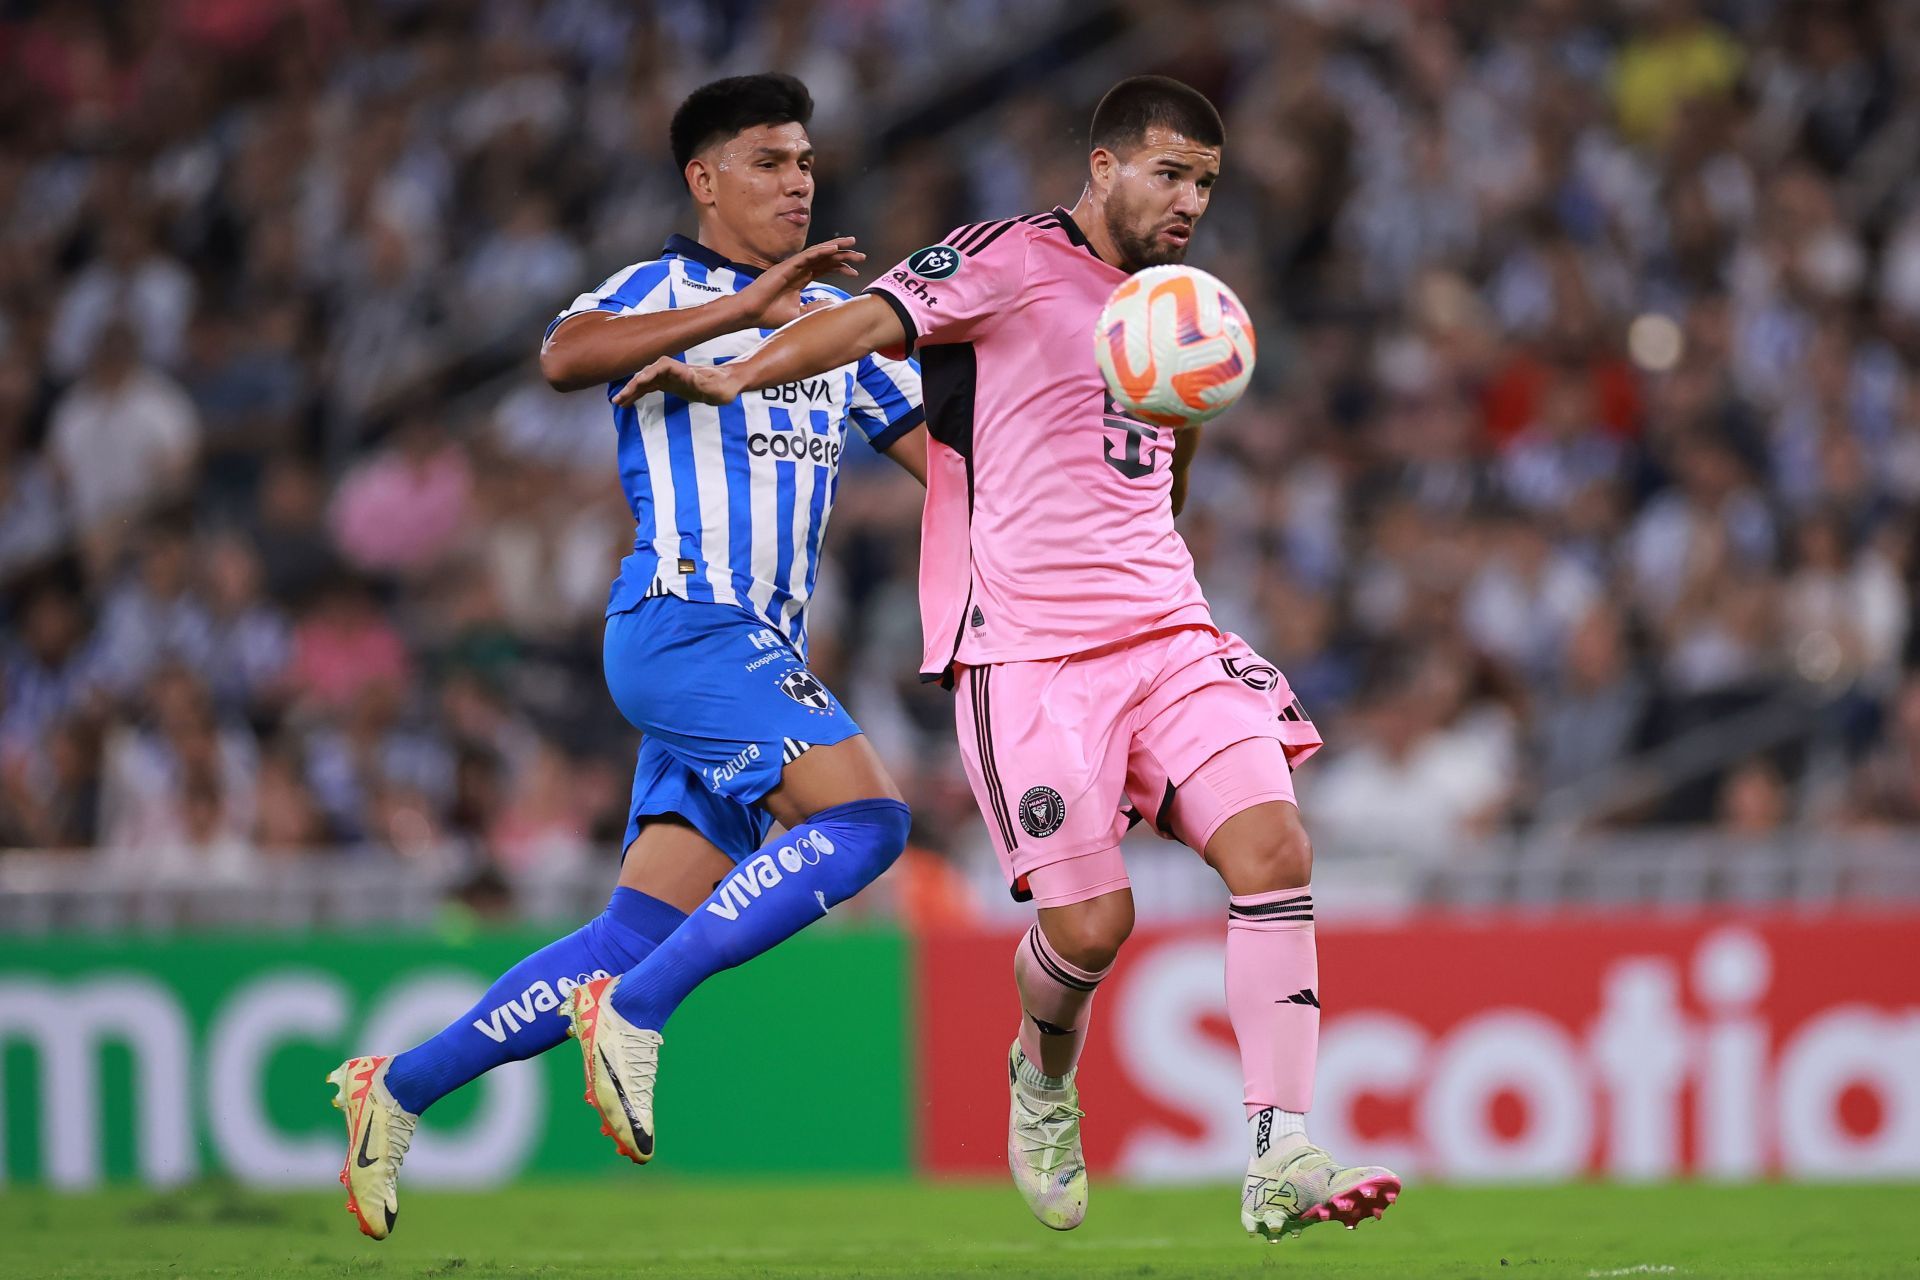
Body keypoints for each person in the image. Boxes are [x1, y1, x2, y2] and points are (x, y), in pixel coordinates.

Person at [621, 75, 1400, 1243]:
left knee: (1274, 843)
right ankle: (1043, 1077)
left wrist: (1177, 422)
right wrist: (739, 369)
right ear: (1104, 167)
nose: (1189, 200)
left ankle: (1278, 1144)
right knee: (1092, 928)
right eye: (1169, 172)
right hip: (1027, 655)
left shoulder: (1178, 307)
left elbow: (1162, 480)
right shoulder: (1006, 258)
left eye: (1205, 183)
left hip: (1168, 629)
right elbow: (870, 319)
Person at [325, 73, 926, 1242]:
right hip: (682, 623)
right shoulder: (654, 291)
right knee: (868, 823)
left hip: (751, 648)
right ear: (703, 179)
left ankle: (395, 1089)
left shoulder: (836, 325)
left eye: (805, 160)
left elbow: (944, 459)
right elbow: (564, 358)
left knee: (632, 928)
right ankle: (636, 1014)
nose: (798, 180)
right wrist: (744, 309)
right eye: (768, 160)